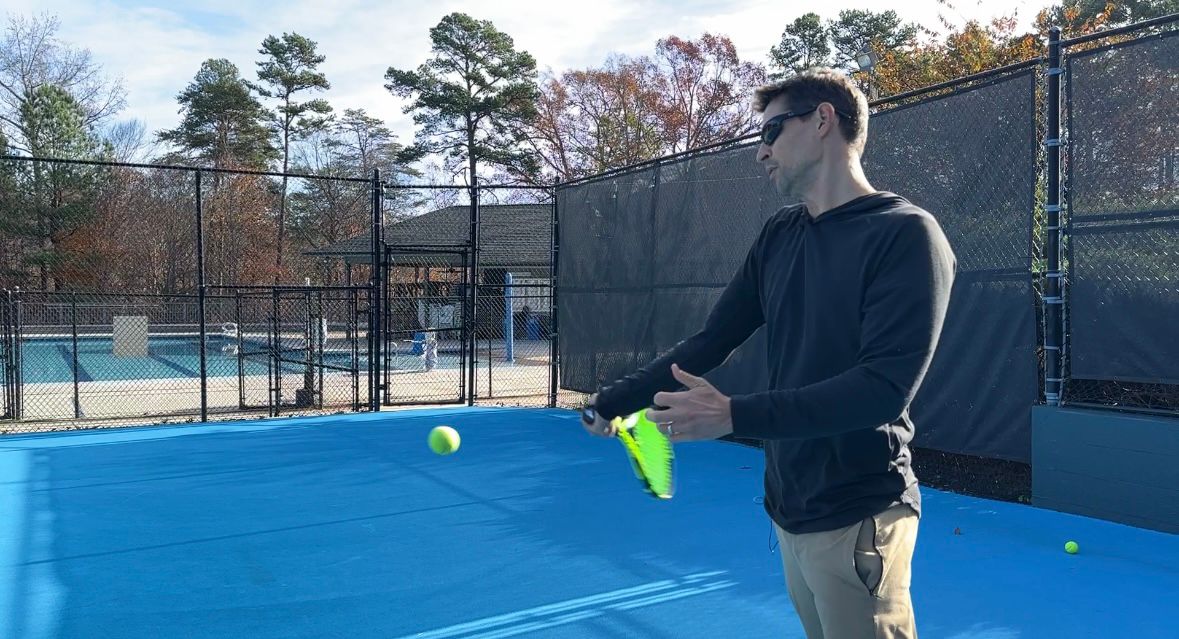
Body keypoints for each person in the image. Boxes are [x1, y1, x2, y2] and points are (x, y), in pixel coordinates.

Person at [581, 67, 957, 638]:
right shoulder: (780, 235)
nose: (761, 152)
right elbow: (712, 341)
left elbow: (882, 389)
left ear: (823, 120)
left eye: (772, 131)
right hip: (788, 507)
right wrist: (613, 401)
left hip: (860, 512)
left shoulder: (906, 235)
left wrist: (735, 415)